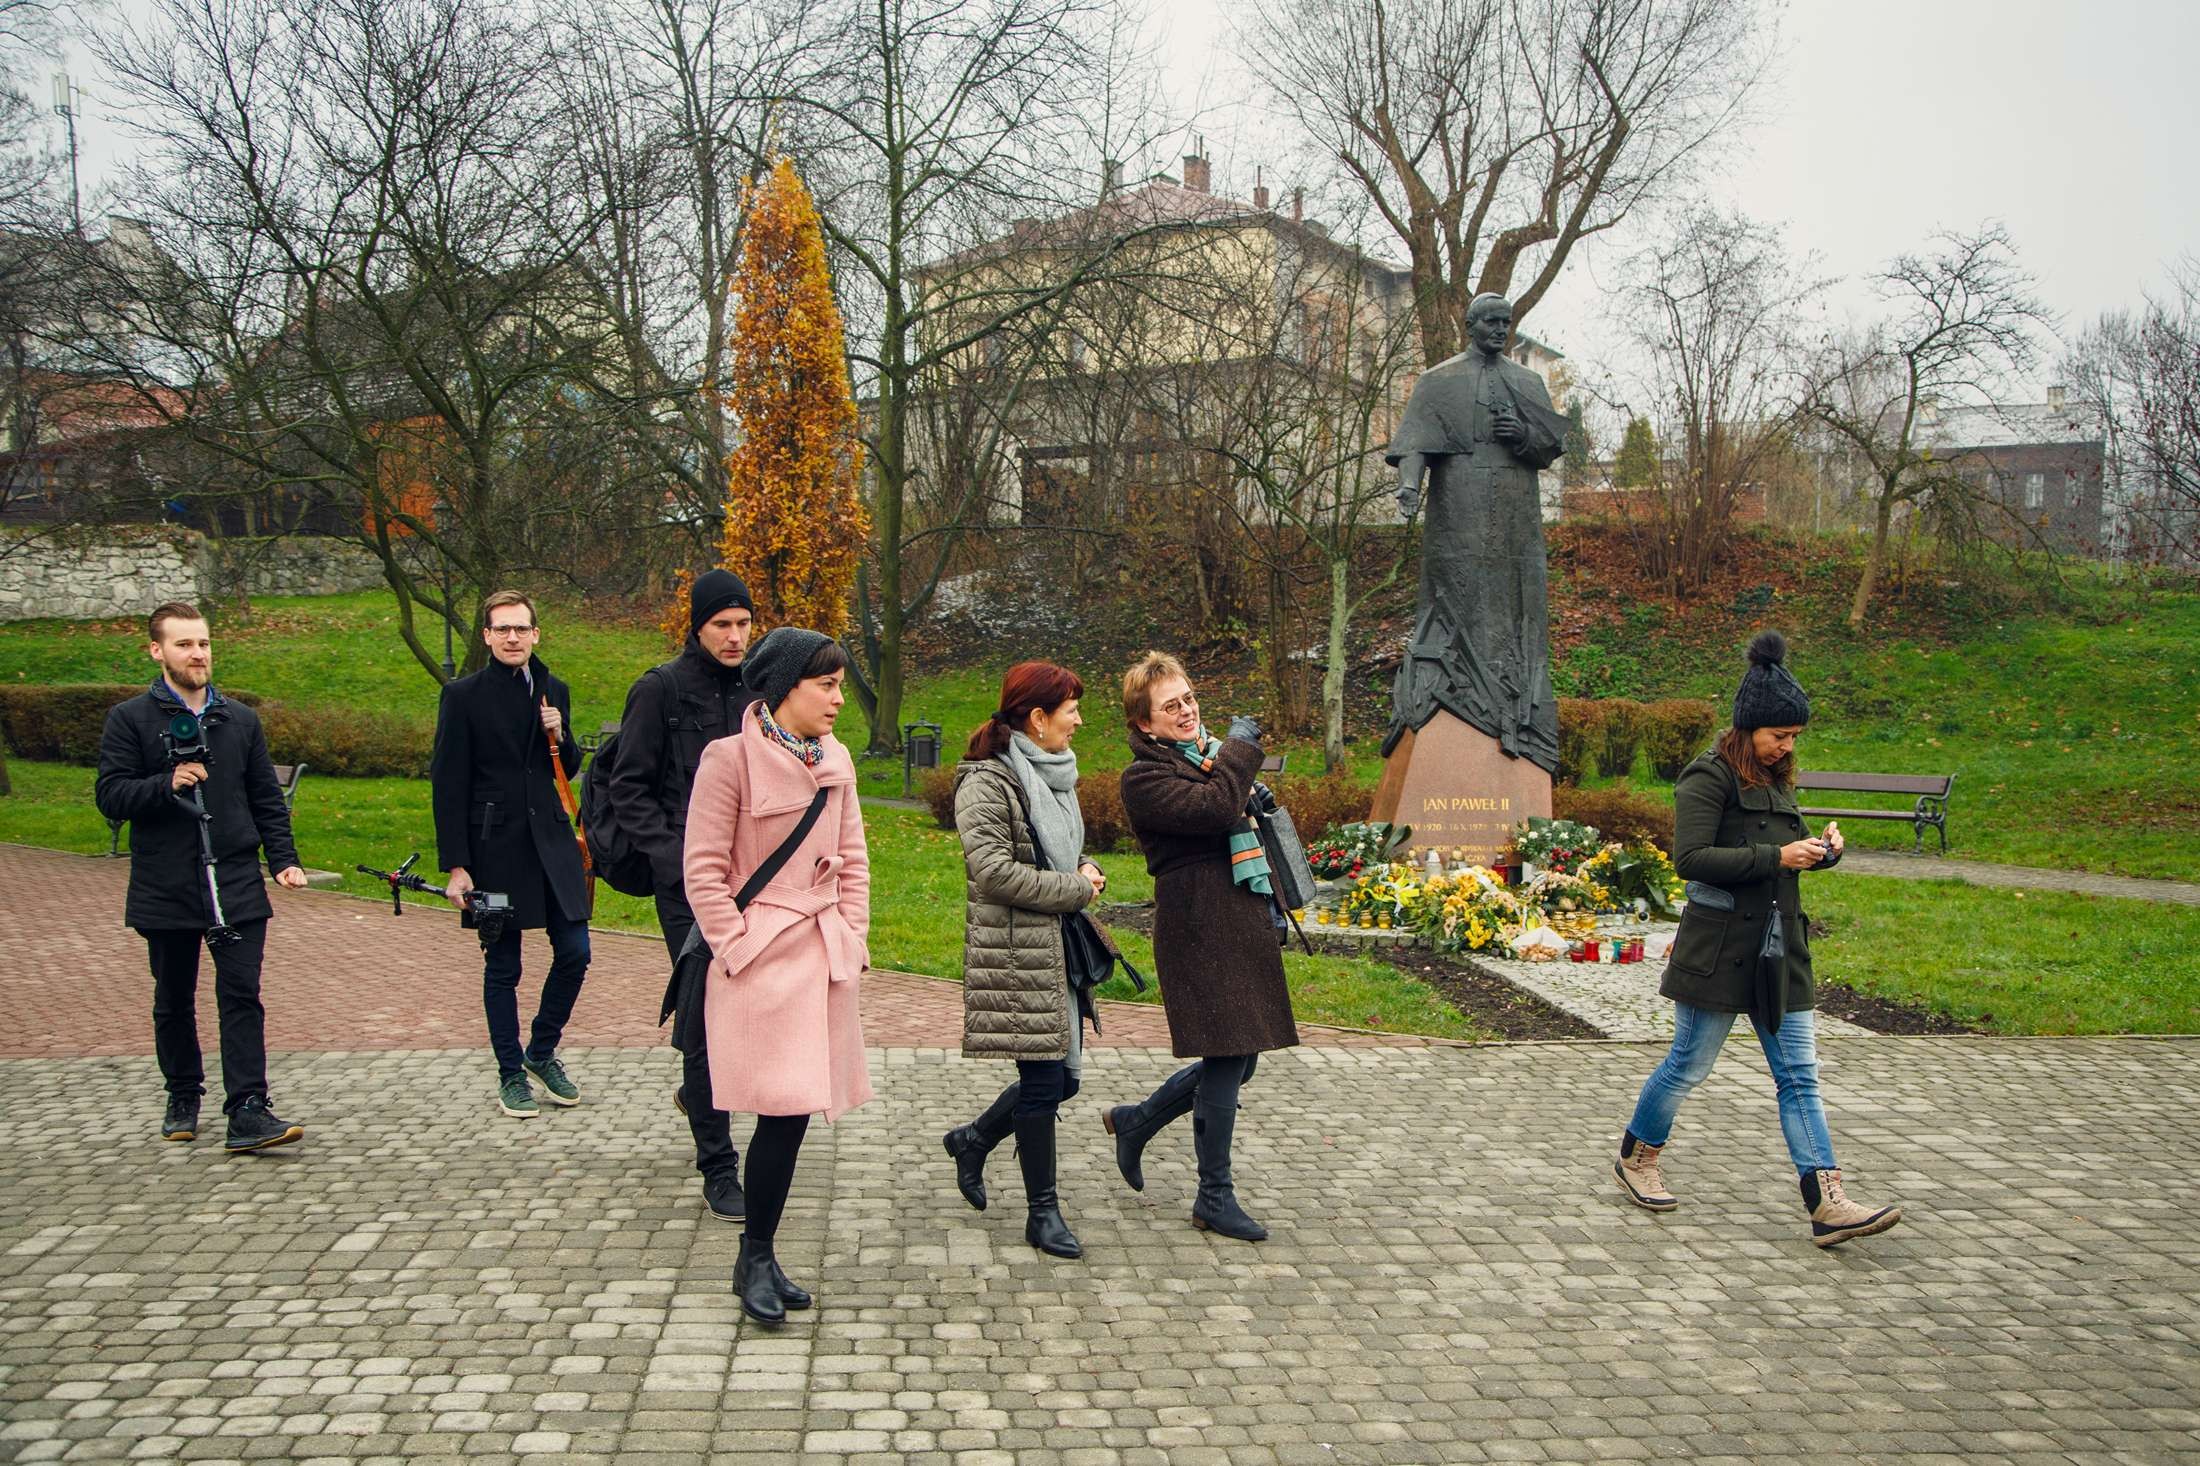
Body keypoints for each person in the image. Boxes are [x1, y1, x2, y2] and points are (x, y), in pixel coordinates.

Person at [1612, 630, 1902, 1248]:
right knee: (1689, 1065)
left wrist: (1822, 852)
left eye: (1794, 736)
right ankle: (1638, 1157)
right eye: (1779, 735)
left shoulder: (1778, 778)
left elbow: (1784, 853)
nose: (1787, 746)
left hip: (1779, 949)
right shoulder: (1707, 776)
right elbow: (1690, 858)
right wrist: (1778, 856)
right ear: (1748, 729)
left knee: (1800, 1075)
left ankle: (1827, 1202)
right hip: (1719, 950)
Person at [682, 627, 874, 1325]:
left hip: (821, 954)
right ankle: (755, 1256)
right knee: (783, 1110)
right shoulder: (728, 759)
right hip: (760, 958)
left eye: (840, 685)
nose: (838, 699)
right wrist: (736, 947)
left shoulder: (835, 758)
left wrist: (852, 936)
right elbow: (703, 870)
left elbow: (853, 858)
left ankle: (758, 1256)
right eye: (826, 685)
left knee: (790, 1117)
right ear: (786, 686)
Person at [95, 601, 309, 1152]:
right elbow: (111, 796)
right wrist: (165, 783)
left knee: (241, 993)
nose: (198, 654)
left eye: (204, 643)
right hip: (165, 881)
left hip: (235, 878)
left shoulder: (240, 719)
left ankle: (248, 1110)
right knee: (174, 997)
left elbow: (265, 797)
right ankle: (183, 1093)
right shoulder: (130, 719)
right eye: (185, 644)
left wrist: (283, 860)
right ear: (157, 650)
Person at [1102, 652, 1299, 1242]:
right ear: (1145, 723)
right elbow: (1215, 808)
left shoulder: (1209, 760)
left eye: (1188, 698)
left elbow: (1230, 803)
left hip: (1238, 920)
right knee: (1227, 1055)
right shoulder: (1145, 778)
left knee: (1242, 1057)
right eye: (1171, 706)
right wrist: (1240, 751)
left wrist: (1235, 767)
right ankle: (1214, 1196)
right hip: (1198, 929)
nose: (1186, 711)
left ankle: (1138, 1121)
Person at [940, 662, 1110, 1259]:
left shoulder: (1055, 774)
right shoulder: (987, 780)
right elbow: (993, 872)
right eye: (1071, 710)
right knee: (1043, 1083)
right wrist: (1076, 888)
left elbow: (1060, 850)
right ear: (1037, 718)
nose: (1079, 721)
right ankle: (1043, 1213)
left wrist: (1085, 868)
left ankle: (973, 1139)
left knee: (1063, 1080)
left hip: (1053, 949)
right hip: (1015, 953)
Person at [605, 569, 755, 1223]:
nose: (734, 636)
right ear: (697, 627)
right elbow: (628, 787)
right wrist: (676, 863)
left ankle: (700, 1094)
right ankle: (718, 1166)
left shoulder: (761, 692)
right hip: (686, 887)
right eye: (722, 624)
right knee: (705, 1017)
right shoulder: (659, 689)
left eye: (743, 623)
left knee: (748, 1013)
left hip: (755, 882)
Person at [429, 590, 592, 1119]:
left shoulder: (553, 690)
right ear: (487, 636)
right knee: (504, 965)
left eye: (521, 628)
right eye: (502, 629)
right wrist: (457, 865)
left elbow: (566, 768)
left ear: (536, 634)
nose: (513, 638)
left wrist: (560, 734)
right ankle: (509, 1074)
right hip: (493, 849)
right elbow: (447, 783)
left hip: (552, 843)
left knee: (576, 952)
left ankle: (540, 1052)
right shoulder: (462, 696)